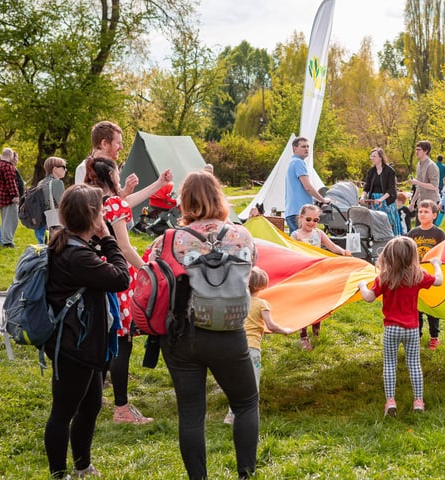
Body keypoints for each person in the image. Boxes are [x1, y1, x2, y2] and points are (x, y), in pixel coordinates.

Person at [150, 171, 259, 480]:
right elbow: (252, 270)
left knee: (191, 413)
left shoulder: (168, 239)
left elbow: (153, 277)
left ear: (184, 201)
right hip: (230, 331)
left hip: (183, 334)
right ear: (218, 196)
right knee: (246, 403)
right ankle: (246, 474)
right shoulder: (242, 235)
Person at [44, 184, 131, 479]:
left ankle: (82, 466)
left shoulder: (67, 243)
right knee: (63, 412)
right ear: (92, 216)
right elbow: (120, 278)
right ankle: (59, 474)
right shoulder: (76, 256)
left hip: (83, 343)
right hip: (74, 346)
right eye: (101, 211)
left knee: (91, 405)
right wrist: (107, 237)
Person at [85, 157, 173, 425]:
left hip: (94, 272)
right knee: (121, 342)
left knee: (103, 340)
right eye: (117, 174)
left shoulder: (91, 201)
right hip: (117, 273)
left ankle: (91, 399)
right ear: (111, 177)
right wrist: (148, 270)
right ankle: (121, 408)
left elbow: (127, 201)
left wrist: (158, 184)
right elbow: (124, 247)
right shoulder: (115, 203)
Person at [358, 236, 443, 416]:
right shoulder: (418, 275)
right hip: (412, 329)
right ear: (412, 256)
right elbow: (439, 281)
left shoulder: (384, 277)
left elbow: (369, 297)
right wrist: (436, 264)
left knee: (390, 364)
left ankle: (390, 401)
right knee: (414, 364)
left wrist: (362, 285)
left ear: (388, 256)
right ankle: (418, 401)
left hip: (391, 329)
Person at [223, 267, 294, 425]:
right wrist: (285, 330)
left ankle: (231, 415)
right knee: (251, 384)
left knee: (236, 382)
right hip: (251, 348)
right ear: (262, 285)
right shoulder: (262, 304)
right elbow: (271, 325)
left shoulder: (237, 302)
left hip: (233, 346)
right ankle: (250, 416)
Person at [290, 204, 350, 350]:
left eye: (316, 220)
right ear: (301, 218)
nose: (312, 223)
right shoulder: (296, 236)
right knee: (304, 305)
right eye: (308, 219)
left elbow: (332, 246)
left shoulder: (318, 234)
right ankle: (303, 336)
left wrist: (343, 252)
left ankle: (316, 332)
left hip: (317, 275)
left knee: (317, 303)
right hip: (303, 276)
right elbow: (291, 254)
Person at [406, 200, 445, 351]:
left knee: (431, 308)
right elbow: (406, 252)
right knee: (417, 307)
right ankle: (416, 336)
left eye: (426, 212)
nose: (422, 214)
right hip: (415, 275)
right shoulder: (413, 233)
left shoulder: (439, 234)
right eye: (420, 212)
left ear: (434, 215)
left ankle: (434, 337)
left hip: (431, 276)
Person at [285, 136, 330, 233]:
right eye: (303, 146)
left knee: (295, 241)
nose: (306, 149)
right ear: (295, 149)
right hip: (299, 212)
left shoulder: (292, 162)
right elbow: (308, 187)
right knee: (304, 240)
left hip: (292, 211)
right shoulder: (298, 163)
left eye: (307, 146)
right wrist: (323, 200)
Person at [360, 147, 401, 236]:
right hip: (374, 201)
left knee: (390, 224)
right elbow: (367, 187)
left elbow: (391, 189)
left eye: (374, 156)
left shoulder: (389, 171)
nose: (372, 158)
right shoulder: (371, 171)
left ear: (380, 157)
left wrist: (381, 199)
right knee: (376, 224)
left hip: (387, 200)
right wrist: (362, 197)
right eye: (371, 156)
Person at [0, 147, 20, 248]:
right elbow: (11, 182)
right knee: (11, 220)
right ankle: (8, 242)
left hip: (0, 197)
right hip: (8, 198)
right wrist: (15, 195)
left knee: (4, 220)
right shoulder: (7, 166)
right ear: (10, 155)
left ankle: (4, 240)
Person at [34, 157, 67, 244]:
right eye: (63, 167)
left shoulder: (41, 182)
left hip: (43, 222)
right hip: (56, 222)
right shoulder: (57, 183)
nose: (65, 170)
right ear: (55, 169)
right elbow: (63, 204)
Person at [408, 141, 441, 226]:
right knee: (418, 229)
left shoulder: (431, 166)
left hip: (431, 203)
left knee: (430, 231)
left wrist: (416, 182)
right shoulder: (419, 165)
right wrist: (413, 202)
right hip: (421, 203)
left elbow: (434, 186)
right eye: (416, 149)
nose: (416, 152)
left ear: (426, 151)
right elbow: (419, 187)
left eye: (419, 150)